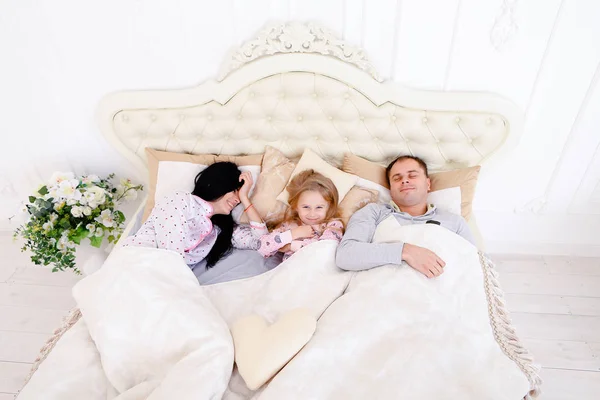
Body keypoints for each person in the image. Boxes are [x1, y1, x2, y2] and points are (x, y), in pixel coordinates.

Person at [336, 155, 476, 278]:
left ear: (428, 184)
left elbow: (475, 264)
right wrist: (405, 251)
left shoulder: (454, 221)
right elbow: (346, 255)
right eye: (397, 178)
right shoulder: (373, 212)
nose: (405, 181)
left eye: (412, 175)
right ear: (390, 189)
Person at [123, 162, 267, 268]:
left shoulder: (219, 230)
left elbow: (262, 242)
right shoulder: (179, 200)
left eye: (240, 196)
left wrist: (245, 198)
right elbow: (169, 253)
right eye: (235, 191)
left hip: (166, 282)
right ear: (220, 184)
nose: (237, 200)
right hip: (136, 264)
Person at [257, 169, 344, 261]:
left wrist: (291, 246)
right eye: (306, 207)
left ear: (329, 207)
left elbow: (324, 249)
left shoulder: (333, 225)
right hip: (292, 272)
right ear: (295, 206)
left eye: (319, 207)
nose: (312, 214)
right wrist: (293, 234)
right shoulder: (290, 226)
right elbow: (262, 248)